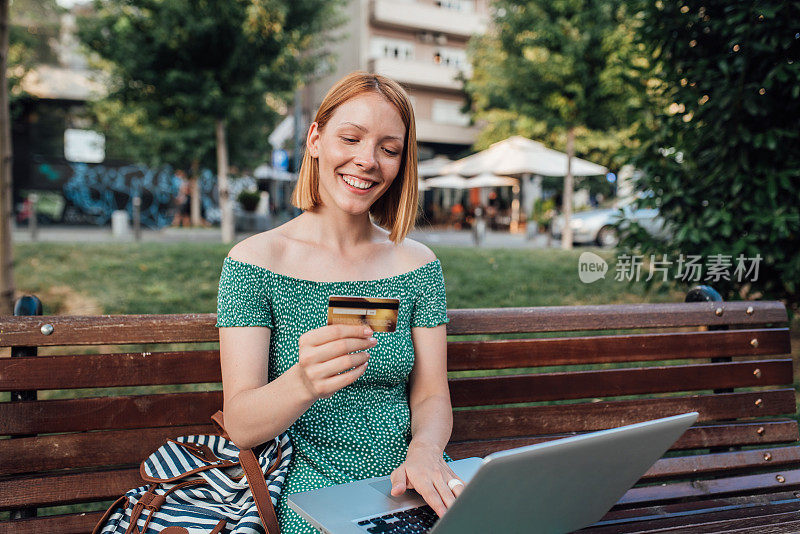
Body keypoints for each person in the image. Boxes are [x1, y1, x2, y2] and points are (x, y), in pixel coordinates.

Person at [215, 71, 463, 534]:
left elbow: (431, 393)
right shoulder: (255, 262)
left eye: (389, 149)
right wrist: (303, 381)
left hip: (411, 480)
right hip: (312, 492)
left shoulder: (417, 265)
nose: (367, 160)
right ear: (314, 139)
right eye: (350, 138)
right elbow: (241, 423)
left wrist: (426, 450)